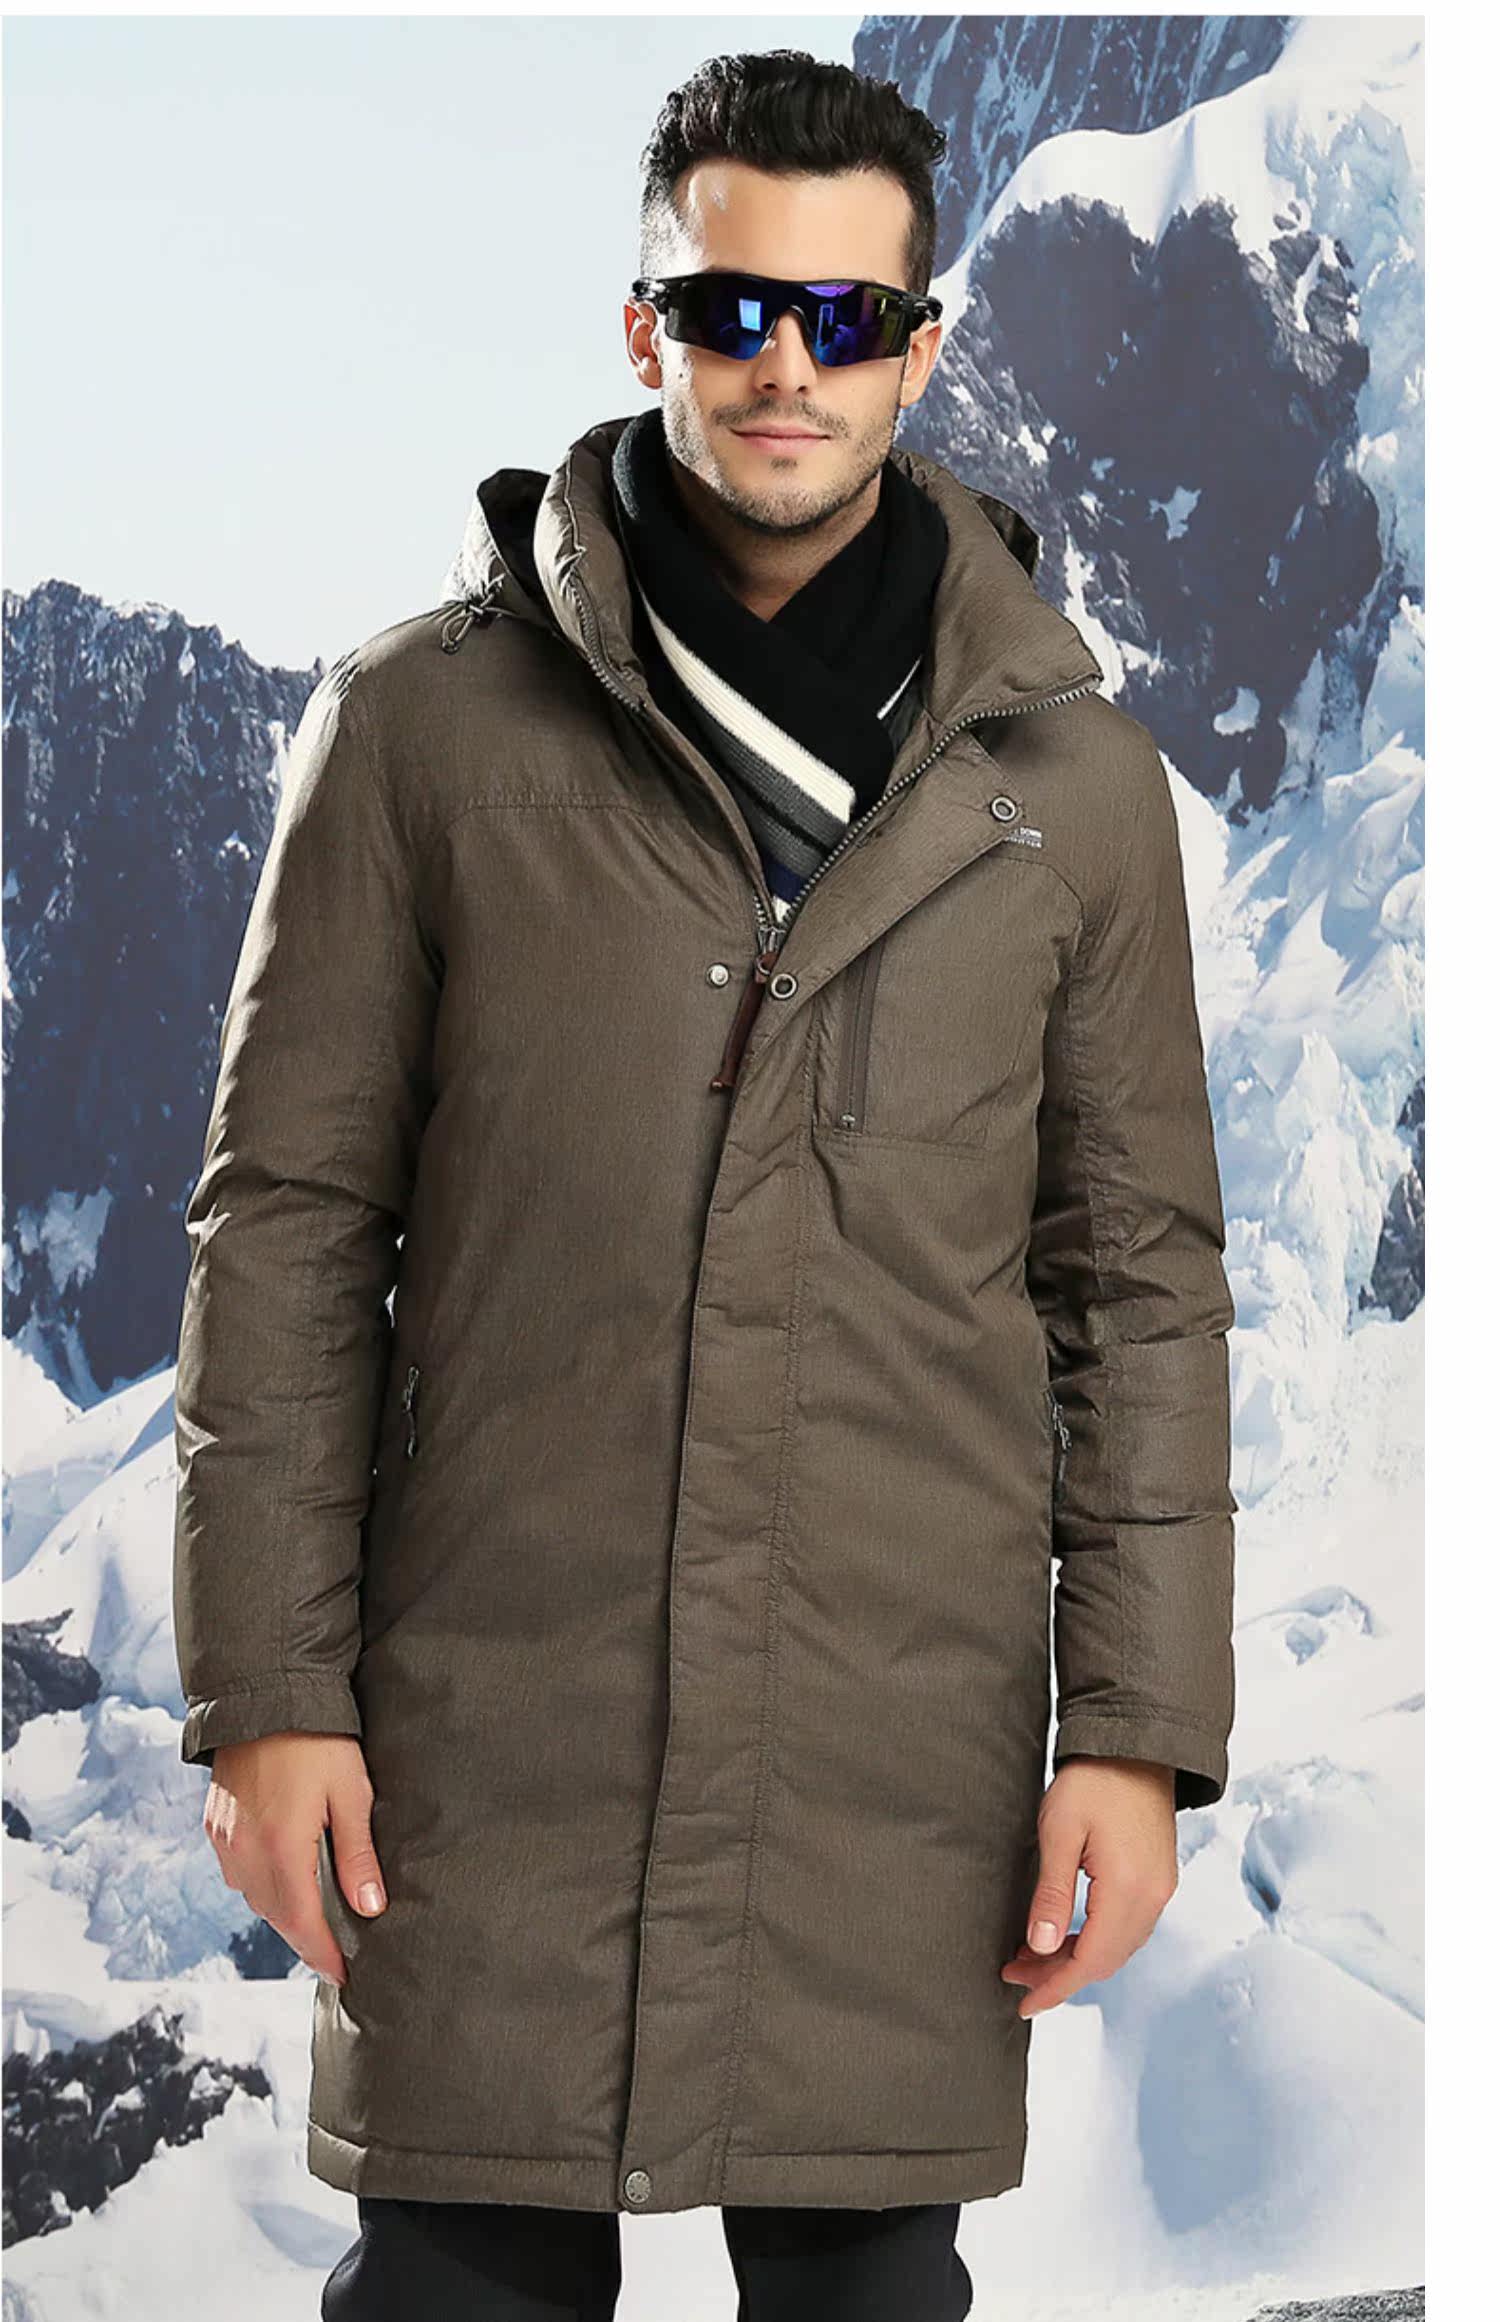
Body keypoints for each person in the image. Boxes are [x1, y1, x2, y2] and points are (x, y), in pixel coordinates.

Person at [172, 48, 1238, 2322]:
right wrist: (264, 1687)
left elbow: (1137, 1285)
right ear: (644, 322)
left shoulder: (1076, 794)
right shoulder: (420, 733)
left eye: (848, 319)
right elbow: (287, 1227)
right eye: (735, 308)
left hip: (892, 1765)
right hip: (487, 1746)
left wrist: (1141, 1736)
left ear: (922, 349)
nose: (787, 366)